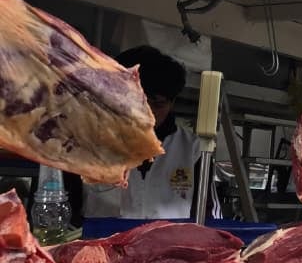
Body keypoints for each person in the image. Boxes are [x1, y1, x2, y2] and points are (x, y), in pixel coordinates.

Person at [66, 45, 218, 224]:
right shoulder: (84, 144)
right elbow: (66, 216)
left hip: (169, 249)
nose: (146, 113)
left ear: (172, 102)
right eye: (137, 102)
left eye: (157, 104)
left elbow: (206, 218)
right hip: (102, 248)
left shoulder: (193, 150)